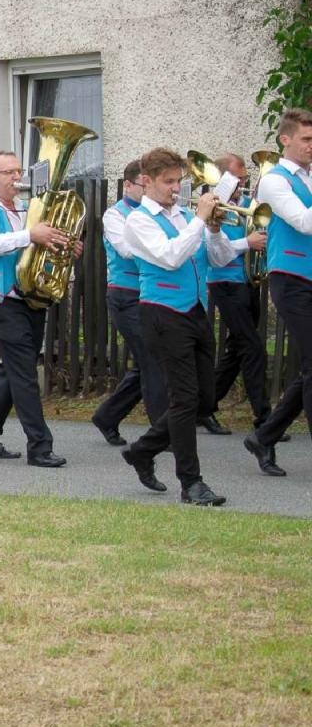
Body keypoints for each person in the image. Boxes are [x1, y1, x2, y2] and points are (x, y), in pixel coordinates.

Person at [119, 147, 236, 503]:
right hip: (162, 312)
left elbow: (221, 258)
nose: (175, 188)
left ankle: (142, 450)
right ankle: (191, 483)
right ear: (147, 181)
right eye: (168, 182)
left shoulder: (186, 216)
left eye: (178, 181)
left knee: (204, 399)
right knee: (184, 399)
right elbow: (170, 257)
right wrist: (200, 221)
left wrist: (213, 230)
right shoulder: (136, 221)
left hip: (195, 311)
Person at [0, 150, 76, 467]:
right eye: (10, 172)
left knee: (14, 367)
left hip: (28, 295)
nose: (17, 177)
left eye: (18, 171)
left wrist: (61, 243)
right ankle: (39, 446)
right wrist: (30, 234)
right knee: (25, 372)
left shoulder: (26, 209)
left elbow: (37, 246)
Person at [248, 108, 312, 476]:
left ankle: (264, 436)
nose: (310, 146)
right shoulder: (275, 180)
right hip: (290, 279)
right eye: (305, 139)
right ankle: (265, 436)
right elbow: (303, 221)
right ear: (285, 140)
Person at [90, 160, 160, 445]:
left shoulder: (156, 213)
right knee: (152, 360)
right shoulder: (115, 215)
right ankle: (162, 431)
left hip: (150, 293)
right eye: (144, 185)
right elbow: (127, 250)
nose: (148, 191)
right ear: (128, 185)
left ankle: (108, 416)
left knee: (149, 361)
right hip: (125, 295)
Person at [200, 152, 270, 436]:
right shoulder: (213, 205)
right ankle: (265, 419)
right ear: (224, 177)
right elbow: (215, 250)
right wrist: (248, 242)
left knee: (237, 351)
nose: (243, 182)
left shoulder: (243, 204)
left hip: (246, 282)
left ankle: (203, 408)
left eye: (244, 178)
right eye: (238, 178)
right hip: (225, 283)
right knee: (253, 349)